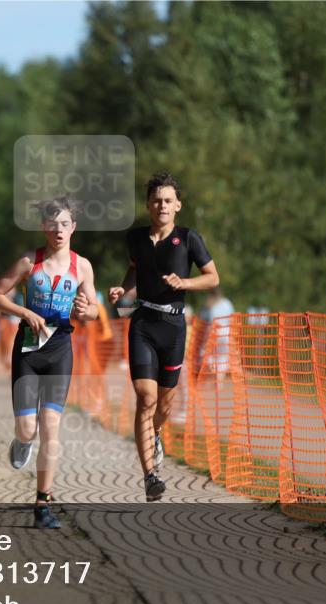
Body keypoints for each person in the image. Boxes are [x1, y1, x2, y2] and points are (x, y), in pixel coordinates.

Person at [0, 197, 99, 529]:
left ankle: (42, 504)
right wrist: (25, 312)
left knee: (51, 428)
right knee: (28, 429)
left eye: (65, 224)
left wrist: (85, 310)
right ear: (44, 227)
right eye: (53, 224)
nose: (59, 230)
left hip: (60, 349)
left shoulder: (83, 266)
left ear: (73, 227)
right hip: (28, 350)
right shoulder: (27, 262)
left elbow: (93, 311)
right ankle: (22, 441)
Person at [109, 172, 219, 501]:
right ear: (148, 205)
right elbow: (133, 269)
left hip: (173, 328)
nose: (162, 206)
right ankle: (151, 476)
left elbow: (212, 277)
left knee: (165, 406)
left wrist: (185, 284)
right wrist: (123, 290)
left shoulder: (188, 239)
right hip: (142, 323)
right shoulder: (136, 239)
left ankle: (156, 433)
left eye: (168, 200)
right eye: (157, 200)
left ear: (178, 205)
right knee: (146, 398)